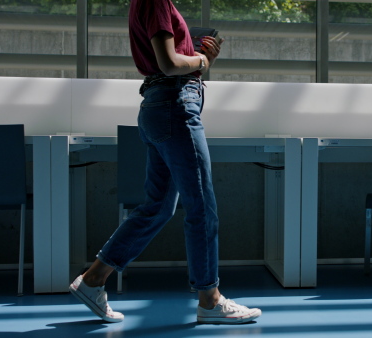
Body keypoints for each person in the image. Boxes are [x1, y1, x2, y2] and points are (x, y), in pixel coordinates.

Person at [68, 0, 261, 325]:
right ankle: (210, 300)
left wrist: (196, 54)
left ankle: (93, 279)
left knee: (158, 206)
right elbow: (169, 63)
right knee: (201, 206)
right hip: (174, 103)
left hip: (160, 106)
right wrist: (203, 59)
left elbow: (165, 58)